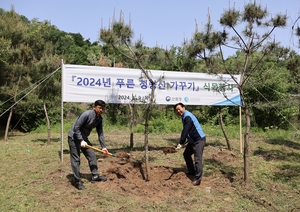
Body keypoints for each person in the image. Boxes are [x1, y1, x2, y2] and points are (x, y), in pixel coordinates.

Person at [68, 100, 109, 190]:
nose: (101, 110)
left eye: (103, 109)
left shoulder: (99, 119)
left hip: (84, 139)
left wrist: (104, 147)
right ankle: (77, 181)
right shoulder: (86, 114)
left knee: (92, 155)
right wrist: (81, 140)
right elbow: (76, 128)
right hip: (74, 137)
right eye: (99, 108)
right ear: (94, 107)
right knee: (76, 159)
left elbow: (100, 134)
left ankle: (95, 176)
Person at [174, 102, 206, 186]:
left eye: (179, 109)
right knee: (186, 154)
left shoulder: (187, 116)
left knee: (197, 159)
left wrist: (181, 142)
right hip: (192, 141)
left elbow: (186, 130)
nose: (178, 111)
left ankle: (198, 179)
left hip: (199, 140)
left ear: (183, 108)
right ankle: (192, 171)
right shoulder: (184, 116)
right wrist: (184, 141)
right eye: (176, 110)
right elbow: (188, 131)